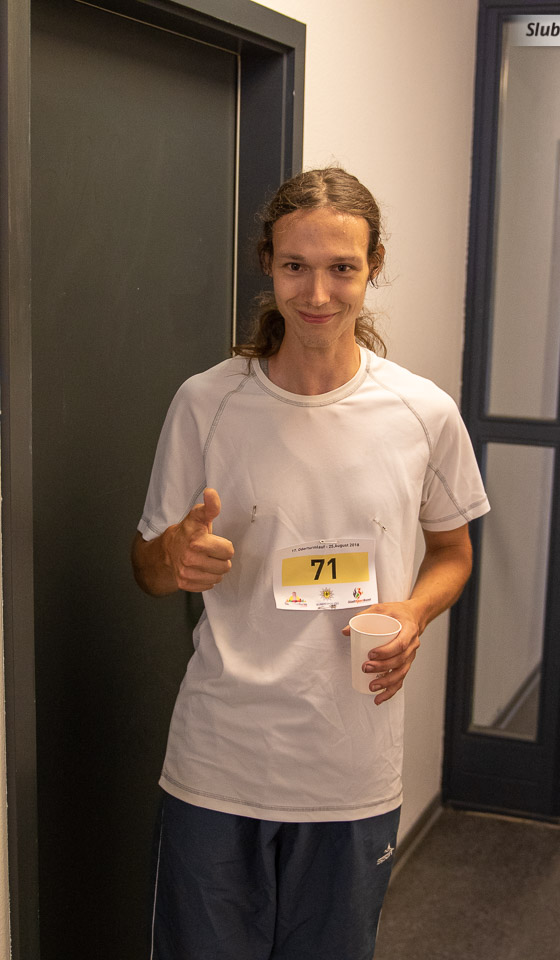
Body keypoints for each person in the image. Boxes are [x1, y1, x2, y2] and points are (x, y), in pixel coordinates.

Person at [132, 167, 490, 960]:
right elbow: (148, 568)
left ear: (374, 267)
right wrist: (176, 556)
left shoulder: (422, 413)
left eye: (342, 268)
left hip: (350, 767)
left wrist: (413, 611)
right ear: (268, 262)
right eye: (296, 265)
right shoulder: (207, 402)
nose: (318, 293)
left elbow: (452, 552)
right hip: (219, 760)